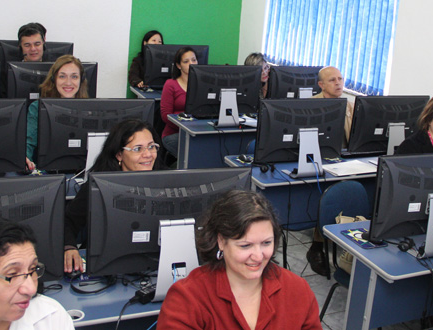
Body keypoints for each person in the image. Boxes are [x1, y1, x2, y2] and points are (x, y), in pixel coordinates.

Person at [157, 190, 322, 329]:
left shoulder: (297, 290)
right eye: (245, 246)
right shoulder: (187, 298)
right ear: (221, 241)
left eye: (266, 243)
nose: (258, 256)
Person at [64, 119, 163, 273]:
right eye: (138, 149)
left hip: (154, 264)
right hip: (107, 266)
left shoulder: (165, 184)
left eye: (152, 147)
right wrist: (69, 247)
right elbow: (67, 221)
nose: (148, 155)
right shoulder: (98, 186)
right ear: (119, 155)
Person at [307, 66, 354, 276]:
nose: (338, 83)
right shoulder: (311, 106)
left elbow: (356, 138)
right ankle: (317, 246)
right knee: (328, 189)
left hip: (345, 160)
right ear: (321, 85)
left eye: (340, 79)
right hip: (318, 161)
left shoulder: (350, 106)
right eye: (332, 80)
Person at [25, 54, 89, 170]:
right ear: (54, 79)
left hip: (80, 171)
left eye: (74, 77)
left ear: (81, 80)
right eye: (62, 76)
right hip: (47, 173)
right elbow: (29, 142)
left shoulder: (90, 111)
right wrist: (26, 158)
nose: (68, 83)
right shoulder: (37, 108)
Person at [160, 46, 198, 157]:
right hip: (174, 133)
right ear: (178, 65)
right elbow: (165, 115)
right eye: (186, 61)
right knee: (195, 152)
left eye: (194, 60)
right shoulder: (171, 84)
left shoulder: (203, 86)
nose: (191, 63)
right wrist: (187, 126)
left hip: (197, 131)